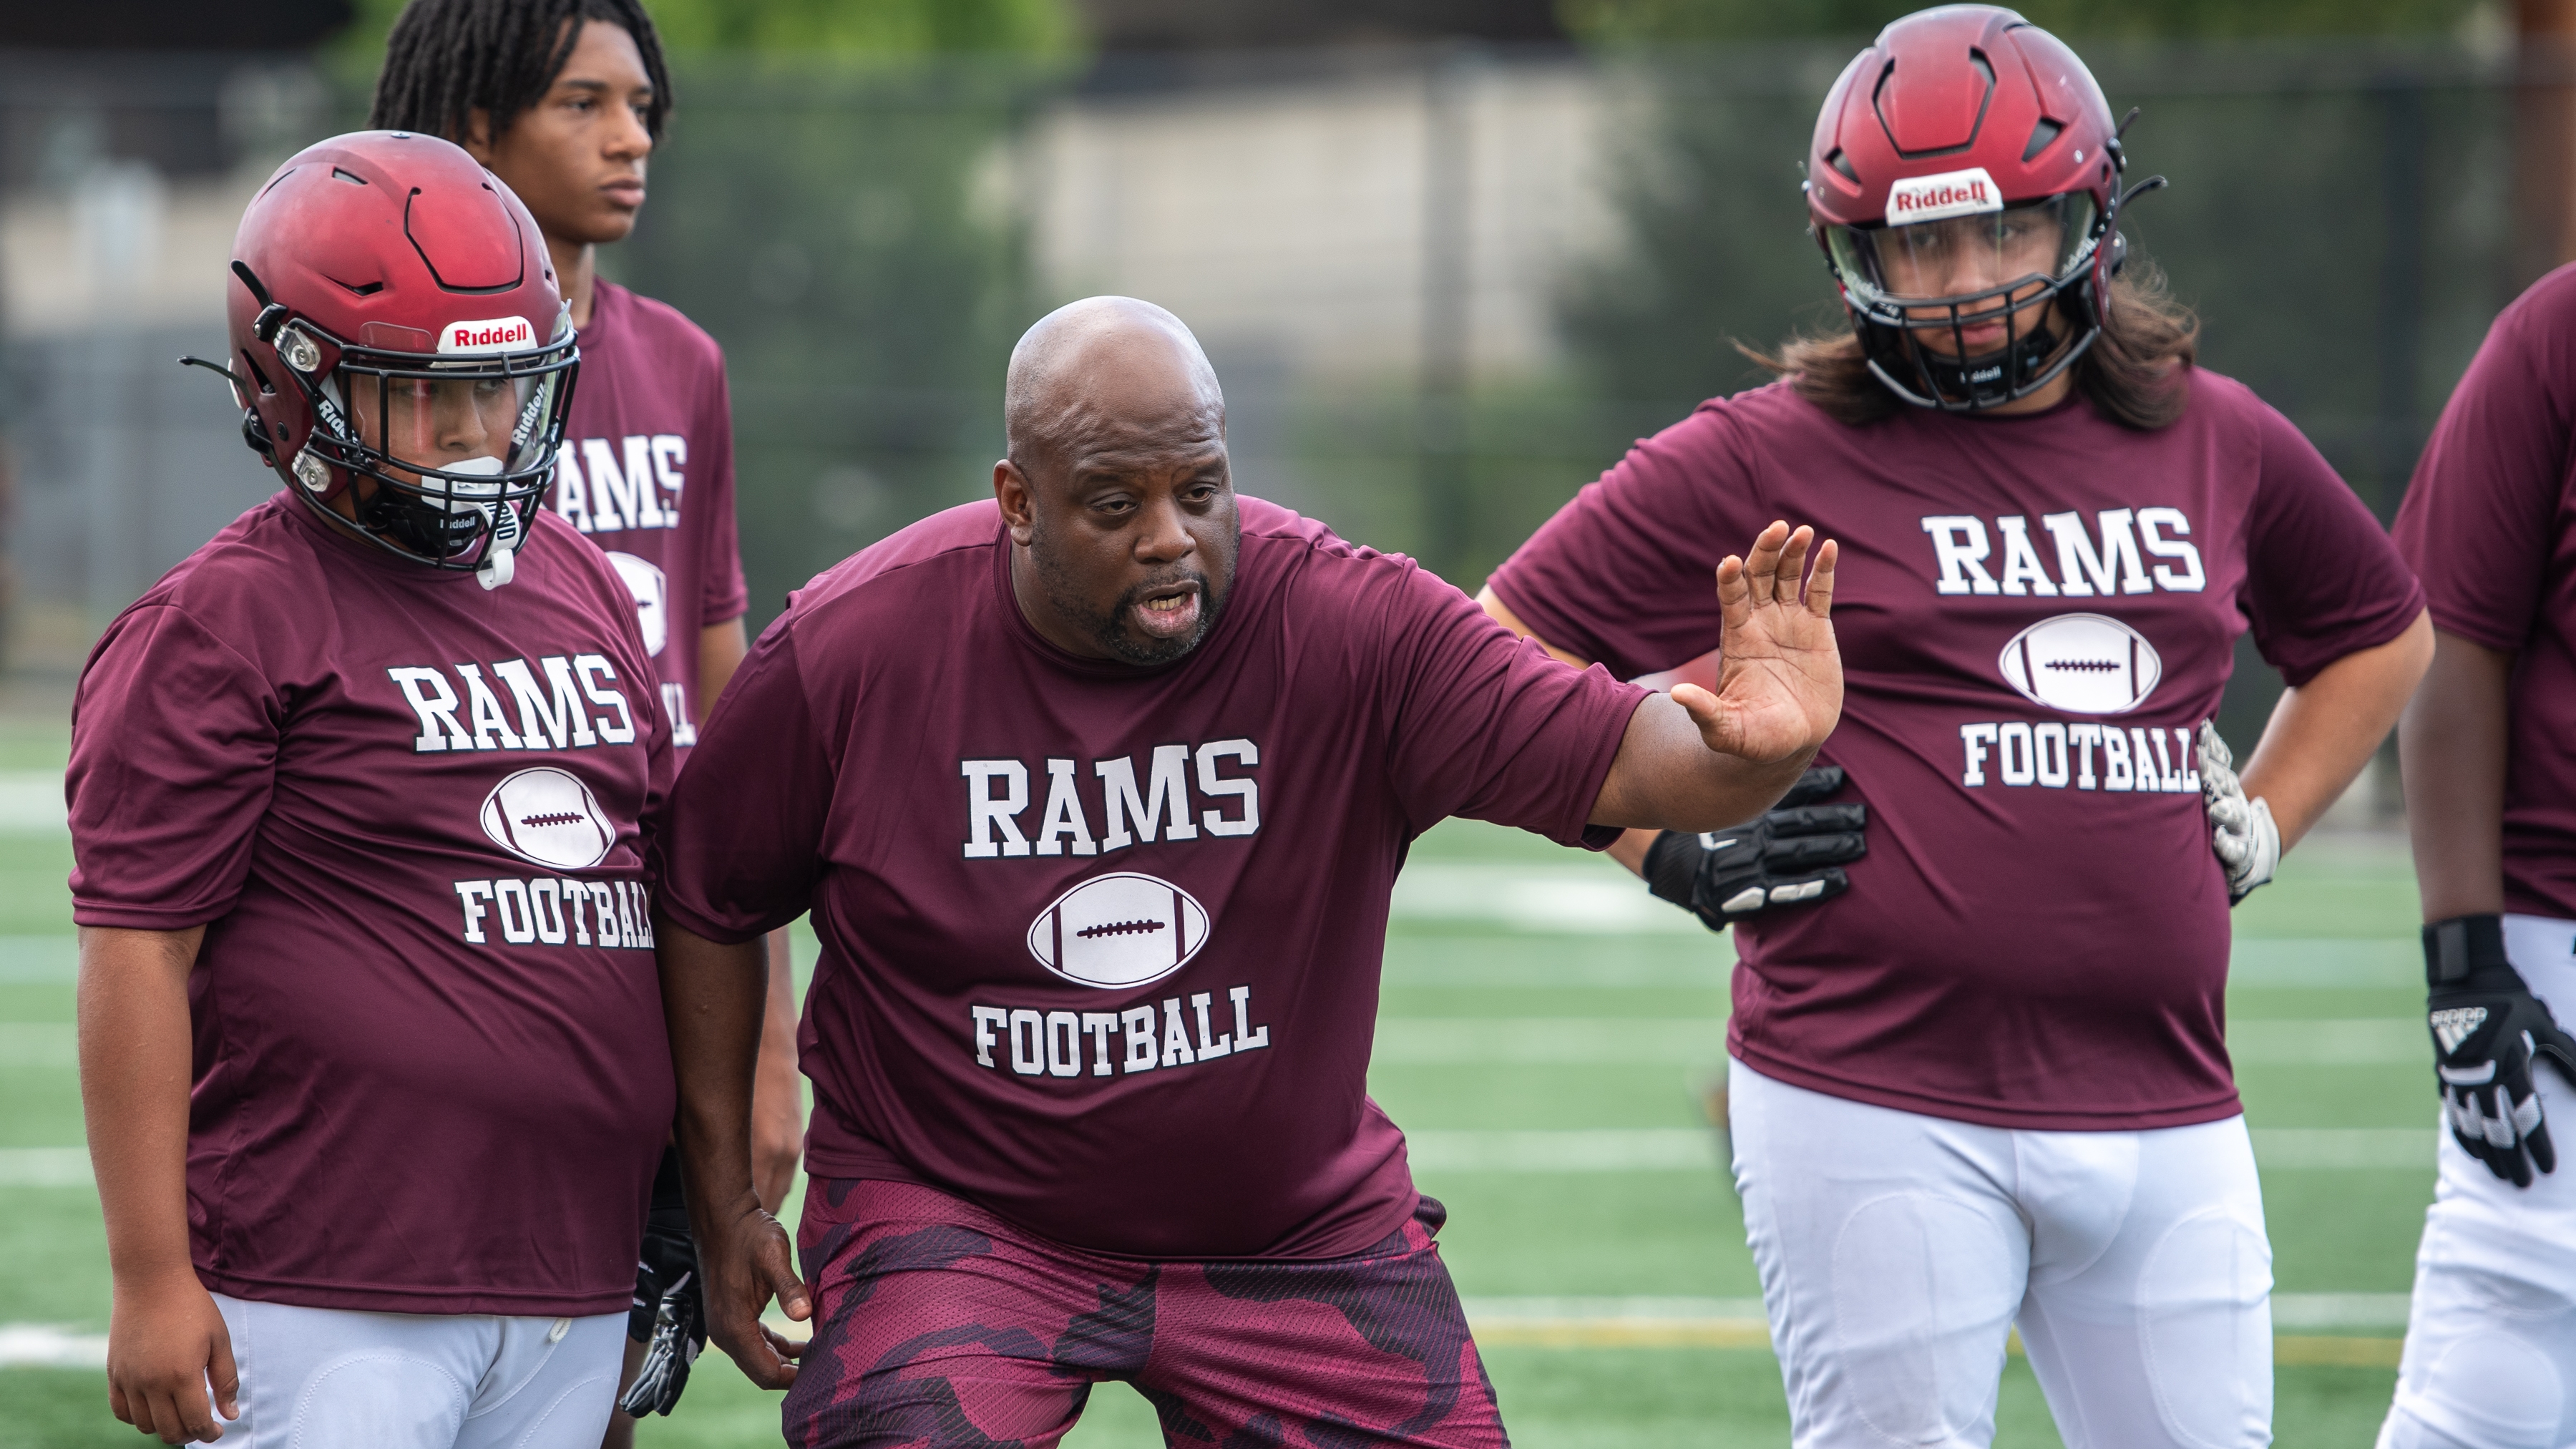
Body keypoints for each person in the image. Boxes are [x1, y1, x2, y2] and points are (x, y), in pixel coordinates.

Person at [647, 295, 1842, 1448]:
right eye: (1115, 502)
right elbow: (708, 887)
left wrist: (1759, 754)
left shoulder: (1347, 619)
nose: (1170, 534)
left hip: (1288, 1226)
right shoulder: (854, 647)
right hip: (959, 1215)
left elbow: (1631, 760)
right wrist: (726, 1198)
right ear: (1017, 499)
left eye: (1200, 490)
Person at [1478, 9, 2431, 1447]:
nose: (1962, 282)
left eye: (2000, 232)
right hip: (1869, 1091)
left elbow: (2380, 630)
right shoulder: (1770, 447)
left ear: (2091, 217)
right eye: (1918, 245)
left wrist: (2270, 815)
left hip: (2167, 1091)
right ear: (1857, 256)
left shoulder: (2212, 432)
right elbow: (1495, 640)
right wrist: (1658, 835)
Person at [72, 131, 672, 1448]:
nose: (474, 434)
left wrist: (686, 1196)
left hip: (567, 1266)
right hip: (326, 1274)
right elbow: (136, 952)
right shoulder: (227, 622)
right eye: (426, 396)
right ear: (301, 391)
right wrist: (149, 1275)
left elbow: (659, 896)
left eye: (504, 389)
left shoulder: (582, 585)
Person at [370, 1, 801, 1427]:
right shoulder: (398, 371)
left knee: (606, 1365)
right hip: (474, 915)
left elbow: (731, 698)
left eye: (644, 110)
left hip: (657, 913)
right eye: (583, 103)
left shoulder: (682, 362)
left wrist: (769, 1032)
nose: (630, 140)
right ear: (475, 121)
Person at [2381, 266, 2576, 1448]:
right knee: (2492, 1385)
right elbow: (2452, 636)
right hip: (2555, 947)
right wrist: (2464, 962)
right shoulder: (2557, 332)